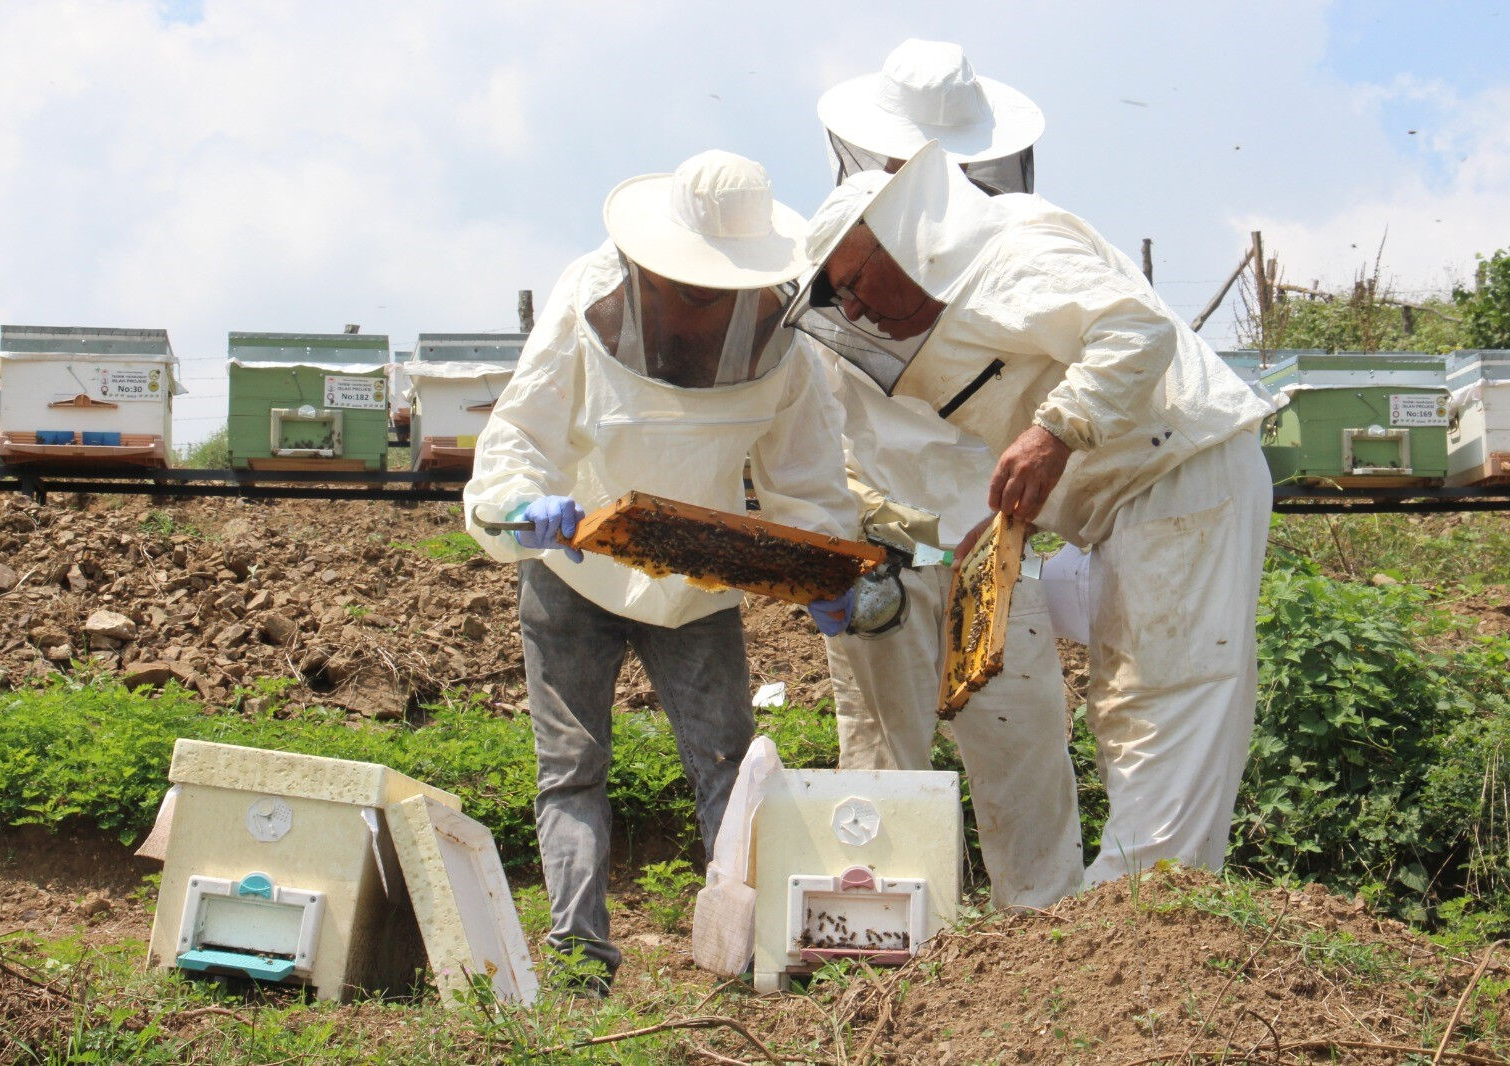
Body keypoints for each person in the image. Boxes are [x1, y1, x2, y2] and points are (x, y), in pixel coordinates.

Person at [788, 139, 1277, 891]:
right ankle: (1132, 931)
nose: (852, 310)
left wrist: (1053, 432)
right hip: (1137, 503)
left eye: (851, 283)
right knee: (1127, 709)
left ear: (897, 236)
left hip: (1182, 482)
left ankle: (1143, 929)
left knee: (1167, 704)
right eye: (837, 300)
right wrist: (1015, 523)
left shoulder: (1011, 249)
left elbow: (1136, 330)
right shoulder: (969, 281)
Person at [464, 150, 859, 991]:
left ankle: (749, 955)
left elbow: (807, 480)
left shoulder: (785, 343)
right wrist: (522, 503)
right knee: (571, 768)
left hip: (695, 582)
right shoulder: (584, 300)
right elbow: (516, 440)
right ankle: (578, 962)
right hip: (573, 571)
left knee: (727, 762)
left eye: (728, 290)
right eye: (694, 288)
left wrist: (823, 564)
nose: (713, 306)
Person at [812, 39, 1084, 908]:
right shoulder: (838, 252)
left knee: (1024, 749)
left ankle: (1043, 948)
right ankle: (879, 936)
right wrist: (838, 537)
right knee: (881, 761)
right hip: (882, 548)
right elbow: (812, 423)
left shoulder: (1008, 247)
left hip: (995, 545)